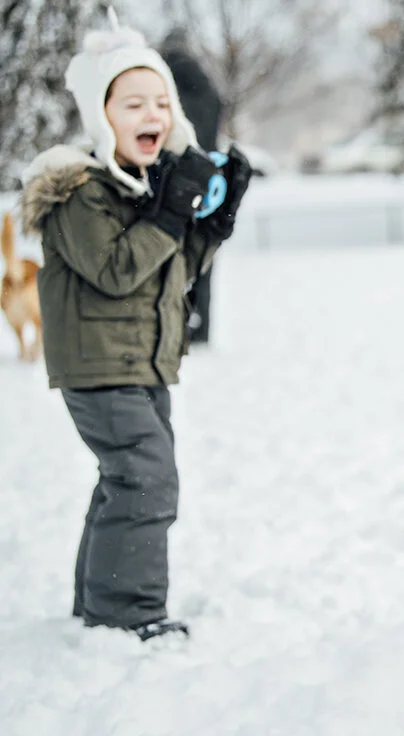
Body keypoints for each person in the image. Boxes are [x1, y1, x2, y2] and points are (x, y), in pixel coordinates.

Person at [18, 16, 253, 641]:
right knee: (146, 480)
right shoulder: (79, 192)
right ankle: (128, 616)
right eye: (132, 102)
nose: (150, 112)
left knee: (124, 480)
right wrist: (173, 209)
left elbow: (169, 272)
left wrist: (213, 221)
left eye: (160, 102)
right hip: (99, 366)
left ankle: (95, 605)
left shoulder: (144, 188)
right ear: (101, 114)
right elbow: (117, 271)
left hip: (141, 362)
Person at [160, 29, 225, 345]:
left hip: (177, 177)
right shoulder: (207, 85)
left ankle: (180, 320)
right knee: (204, 255)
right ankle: (203, 324)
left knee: (173, 251)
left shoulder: (167, 83)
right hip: (209, 177)